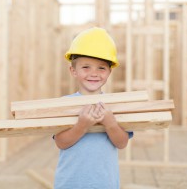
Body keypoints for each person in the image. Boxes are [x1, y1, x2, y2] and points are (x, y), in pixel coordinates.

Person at [53, 27, 133, 189]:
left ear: (109, 71)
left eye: (101, 67)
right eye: (86, 67)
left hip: (104, 184)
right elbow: (61, 143)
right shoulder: (64, 104)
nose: (94, 73)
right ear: (73, 70)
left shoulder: (115, 105)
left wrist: (110, 123)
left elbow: (122, 143)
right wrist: (82, 126)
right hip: (70, 184)